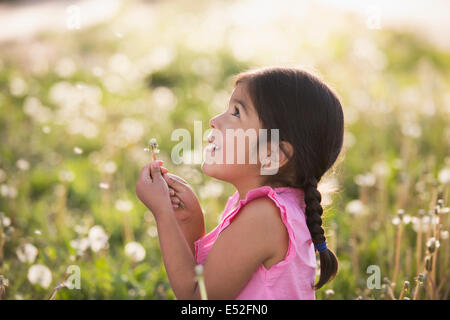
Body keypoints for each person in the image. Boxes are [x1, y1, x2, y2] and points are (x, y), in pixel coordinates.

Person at [136, 66, 344, 299]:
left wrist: (163, 212)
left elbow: (197, 298)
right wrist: (191, 219)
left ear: (273, 155)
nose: (215, 120)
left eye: (236, 112)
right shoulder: (275, 208)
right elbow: (211, 279)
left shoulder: (264, 217)